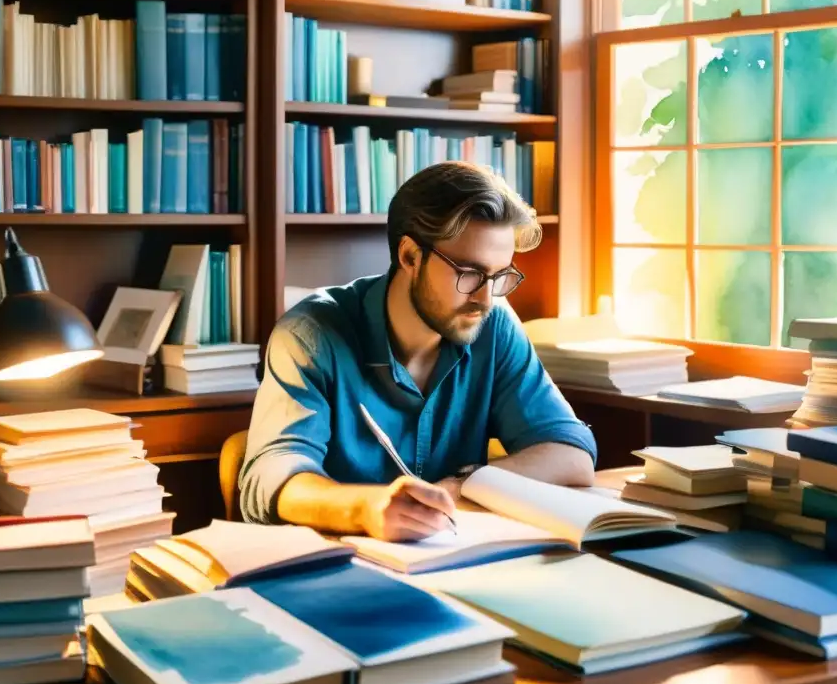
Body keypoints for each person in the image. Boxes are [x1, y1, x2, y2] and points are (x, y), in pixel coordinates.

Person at [239, 160, 596, 540]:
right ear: (410, 256)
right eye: (469, 274)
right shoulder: (310, 335)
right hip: (339, 566)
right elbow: (272, 475)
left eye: (500, 275)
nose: (486, 298)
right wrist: (367, 509)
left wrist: (461, 487)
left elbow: (571, 454)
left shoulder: (493, 323)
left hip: (455, 557)